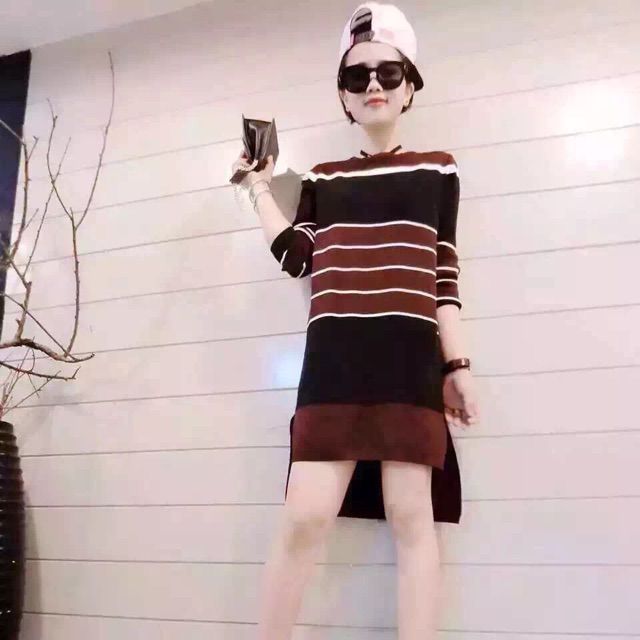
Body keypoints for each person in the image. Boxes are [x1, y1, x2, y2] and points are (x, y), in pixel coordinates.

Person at [231, 3, 480, 638]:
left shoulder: (437, 168)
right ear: (343, 96)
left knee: (410, 517)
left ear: (409, 86)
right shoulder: (323, 178)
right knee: (303, 518)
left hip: (407, 361)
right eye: (356, 76)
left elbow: (443, 274)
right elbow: (297, 259)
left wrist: (456, 365)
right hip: (334, 364)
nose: (373, 85)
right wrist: (258, 187)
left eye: (388, 73)